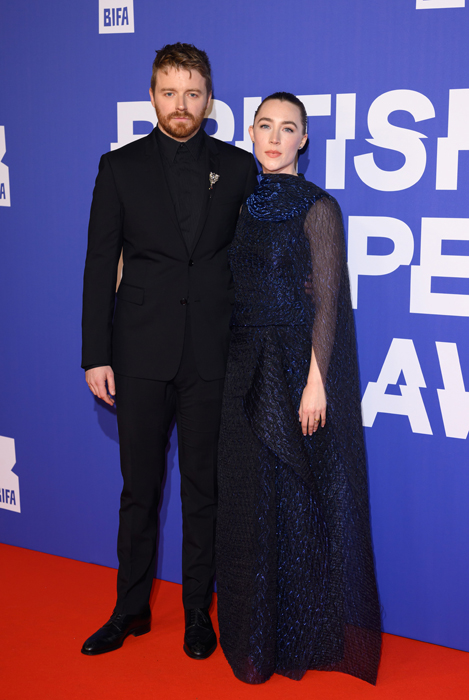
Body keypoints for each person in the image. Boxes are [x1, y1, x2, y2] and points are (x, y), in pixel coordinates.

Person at [81, 43, 258, 659]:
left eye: (192, 93)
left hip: (212, 355)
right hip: (138, 355)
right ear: (152, 96)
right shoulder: (118, 167)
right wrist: (95, 353)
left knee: (203, 491)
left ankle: (197, 614)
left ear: (208, 100)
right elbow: (99, 264)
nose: (180, 105)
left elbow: (251, 263)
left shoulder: (238, 167)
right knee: (140, 491)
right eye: (169, 92)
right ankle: (130, 610)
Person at [216, 93, 382, 684]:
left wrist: (316, 382)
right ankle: (250, 636)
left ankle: (294, 638)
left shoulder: (319, 207)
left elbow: (329, 303)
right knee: (248, 503)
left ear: (303, 140)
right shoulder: (239, 203)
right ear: (251, 131)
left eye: (288, 129)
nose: (275, 137)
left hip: (292, 369)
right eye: (265, 126)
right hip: (241, 365)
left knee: (293, 501)